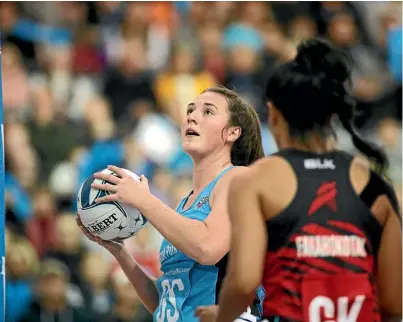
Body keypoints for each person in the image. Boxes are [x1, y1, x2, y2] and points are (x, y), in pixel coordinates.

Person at [196, 39, 402, 322]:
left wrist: (222, 316)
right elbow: (394, 304)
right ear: (332, 115)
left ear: (275, 115)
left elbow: (244, 283)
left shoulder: (255, 181)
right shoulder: (375, 186)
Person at [76, 86, 265, 322]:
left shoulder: (237, 179)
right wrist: (119, 251)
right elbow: (164, 301)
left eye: (208, 112)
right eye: (190, 110)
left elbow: (207, 248)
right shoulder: (185, 203)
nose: (192, 116)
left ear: (232, 133)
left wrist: (144, 200)